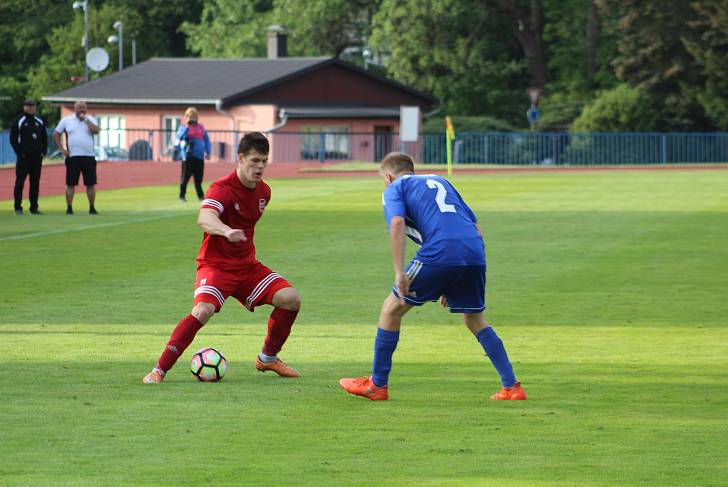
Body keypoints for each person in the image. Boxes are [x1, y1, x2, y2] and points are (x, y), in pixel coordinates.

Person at [339, 152, 526, 401]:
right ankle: (511, 387)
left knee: (391, 309)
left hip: (441, 251)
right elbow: (476, 228)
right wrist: (452, 280)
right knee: (475, 319)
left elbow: (396, 223)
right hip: (474, 252)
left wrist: (398, 272)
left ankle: (377, 385)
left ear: (387, 177)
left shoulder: (395, 188)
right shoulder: (441, 181)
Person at [143, 132, 302, 384]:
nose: (260, 167)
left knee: (291, 299)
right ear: (240, 158)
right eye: (254, 161)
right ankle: (159, 370)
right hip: (215, 267)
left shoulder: (264, 192)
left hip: (247, 268)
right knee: (203, 311)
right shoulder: (222, 189)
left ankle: (268, 358)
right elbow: (205, 218)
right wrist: (226, 231)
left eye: (264, 161)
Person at [53, 101, 100, 215]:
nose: (82, 110)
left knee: (90, 183)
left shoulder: (90, 119)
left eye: (84, 107)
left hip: (88, 156)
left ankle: (92, 207)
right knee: (70, 183)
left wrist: (86, 120)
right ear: (75, 109)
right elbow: (56, 133)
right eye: (79, 107)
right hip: (73, 156)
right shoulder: (67, 120)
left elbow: (96, 131)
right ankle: (69, 207)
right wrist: (61, 149)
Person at [10, 98, 47, 215]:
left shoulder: (39, 121)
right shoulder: (19, 121)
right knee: (20, 182)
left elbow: (44, 137)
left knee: (35, 182)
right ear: (24, 107)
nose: (31, 108)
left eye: (33, 105)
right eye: (28, 105)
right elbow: (13, 139)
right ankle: (18, 207)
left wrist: (43, 152)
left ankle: (34, 207)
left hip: (37, 157)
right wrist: (20, 153)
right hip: (24, 157)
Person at [175, 107, 211, 201]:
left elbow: (207, 140)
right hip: (188, 156)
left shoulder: (201, 127)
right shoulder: (183, 127)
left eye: (193, 116)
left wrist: (208, 152)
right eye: (190, 116)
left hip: (199, 156)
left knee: (199, 178)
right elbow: (179, 137)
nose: (192, 119)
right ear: (186, 117)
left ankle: (201, 196)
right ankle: (182, 195)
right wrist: (186, 127)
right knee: (185, 177)